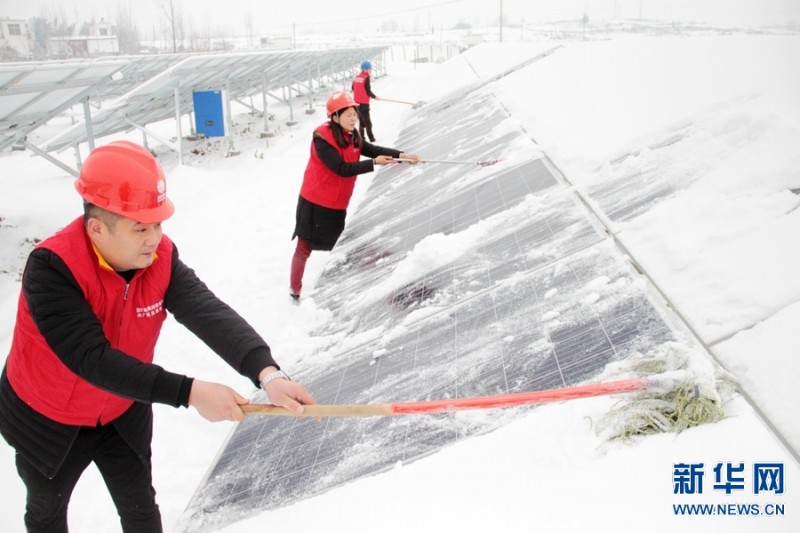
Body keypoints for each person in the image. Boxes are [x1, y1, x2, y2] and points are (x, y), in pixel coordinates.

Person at [0, 140, 316, 532]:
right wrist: (190, 392)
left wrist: (267, 373)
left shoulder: (158, 258)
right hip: (47, 416)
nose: (154, 238)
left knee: (140, 508)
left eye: (158, 224)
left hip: (121, 409)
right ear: (97, 228)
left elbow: (207, 312)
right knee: (46, 509)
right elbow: (90, 358)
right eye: (140, 228)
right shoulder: (52, 269)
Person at [290, 91, 419, 301]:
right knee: (304, 246)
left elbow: (371, 148)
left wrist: (401, 155)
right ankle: (295, 291)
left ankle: (364, 283)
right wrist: (374, 163)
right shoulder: (322, 138)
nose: (353, 118)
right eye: (348, 114)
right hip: (315, 201)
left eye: (354, 114)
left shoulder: (352, 135)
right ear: (334, 117)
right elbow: (341, 168)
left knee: (343, 246)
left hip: (337, 203)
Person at [352, 59, 378, 142]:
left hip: (356, 104)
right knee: (368, 123)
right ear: (365, 69)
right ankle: (372, 139)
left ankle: (362, 137)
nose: (370, 70)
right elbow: (368, 91)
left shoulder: (357, 77)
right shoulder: (366, 78)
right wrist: (375, 97)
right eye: (370, 69)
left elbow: (353, 88)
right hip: (364, 104)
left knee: (361, 121)